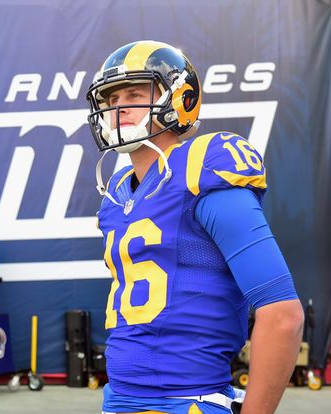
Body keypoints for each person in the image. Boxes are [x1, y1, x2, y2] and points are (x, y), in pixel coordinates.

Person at [86, 40, 304, 414]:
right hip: (119, 397)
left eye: (135, 93)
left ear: (179, 98)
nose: (118, 106)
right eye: (111, 98)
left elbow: (283, 315)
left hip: (189, 400)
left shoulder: (202, 169)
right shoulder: (118, 193)